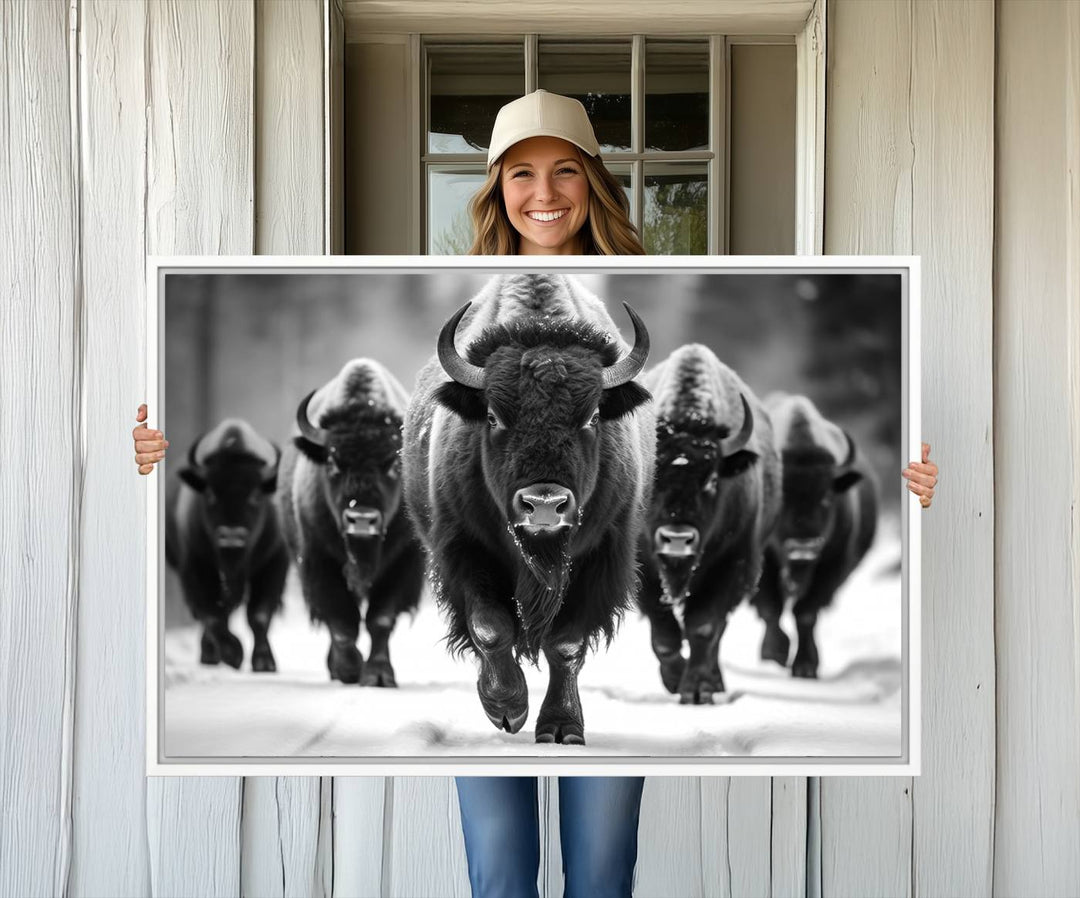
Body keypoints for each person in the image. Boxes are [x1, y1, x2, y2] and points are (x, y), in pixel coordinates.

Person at [131, 89, 939, 898]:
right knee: (499, 867)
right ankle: (492, 641)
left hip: (584, 512)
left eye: (565, 172)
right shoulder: (458, 363)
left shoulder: (621, 355)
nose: (544, 194)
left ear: (596, 181)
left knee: (601, 867)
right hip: (486, 509)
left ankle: (565, 676)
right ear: (493, 188)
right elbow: (448, 535)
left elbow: (616, 536)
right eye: (520, 173)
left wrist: (924, 486)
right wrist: (144, 462)